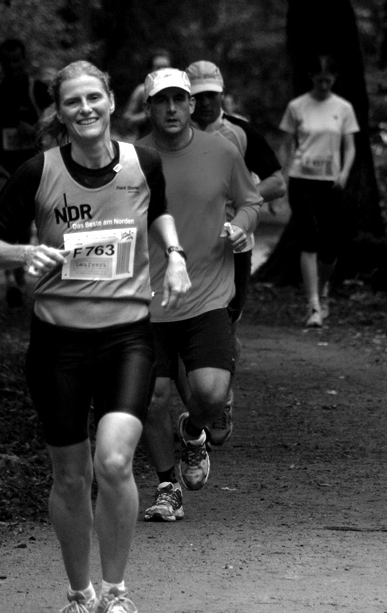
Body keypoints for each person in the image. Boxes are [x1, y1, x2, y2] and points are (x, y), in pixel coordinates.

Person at [0, 60, 190, 613]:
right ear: (61, 112)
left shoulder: (143, 162)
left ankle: (116, 593)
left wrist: (174, 254)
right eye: (73, 101)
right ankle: (80, 593)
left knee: (115, 461)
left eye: (94, 97)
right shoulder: (38, 172)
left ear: (113, 101)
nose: (86, 109)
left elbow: (160, 211)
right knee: (71, 477)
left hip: (127, 338)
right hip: (58, 345)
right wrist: (25, 252)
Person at [134, 68, 262, 522]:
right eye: (160, 101)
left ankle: (192, 433)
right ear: (148, 108)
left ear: (191, 105)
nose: (170, 108)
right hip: (147, 299)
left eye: (178, 100)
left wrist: (240, 228)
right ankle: (168, 486)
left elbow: (251, 201)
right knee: (152, 398)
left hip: (207, 294)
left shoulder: (222, 151)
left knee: (209, 395)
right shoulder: (132, 158)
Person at [186, 59, 287, 445]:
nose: (206, 103)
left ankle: (219, 399)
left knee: (223, 326)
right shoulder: (174, 132)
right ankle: (200, 404)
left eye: (212, 95)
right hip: (184, 243)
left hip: (232, 246)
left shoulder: (240, 132)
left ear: (222, 94)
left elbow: (277, 181)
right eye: (198, 97)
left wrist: (243, 197)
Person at [278, 54, 360, 328]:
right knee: (309, 238)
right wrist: (282, 176)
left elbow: (350, 146)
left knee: (330, 246)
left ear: (334, 79)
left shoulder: (343, 108)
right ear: (311, 77)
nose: (324, 84)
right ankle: (313, 305)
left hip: (331, 182)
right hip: (302, 179)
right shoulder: (297, 106)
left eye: (329, 79)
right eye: (319, 79)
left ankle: (323, 290)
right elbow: (286, 144)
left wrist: (345, 172)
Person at [0, 38, 53, 307]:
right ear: (1, 63)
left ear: (24, 60)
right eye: (7, 61)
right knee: (4, 217)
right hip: (1, 163)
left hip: (30, 163)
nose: (12, 66)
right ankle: (10, 281)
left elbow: (51, 121)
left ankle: (20, 270)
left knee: (23, 223)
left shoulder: (38, 90)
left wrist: (34, 131)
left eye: (17, 60)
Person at [121, 50, 172, 141]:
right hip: (145, 147)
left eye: (165, 67)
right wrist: (147, 115)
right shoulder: (142, 91)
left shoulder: (178, 92)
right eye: (158, 67)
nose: (162, 71)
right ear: (151, 70)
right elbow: (127, 120)